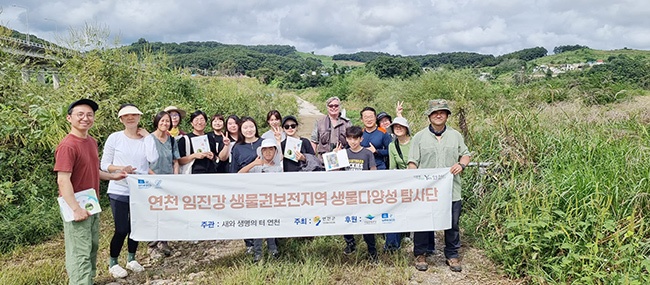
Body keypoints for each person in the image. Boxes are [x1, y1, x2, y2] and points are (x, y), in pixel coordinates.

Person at [54, 99, 127, 285]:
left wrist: (114, 177)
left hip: (91, 204)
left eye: (89, 115)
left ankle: (89, 281)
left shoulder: (91, 142)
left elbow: (94, 171)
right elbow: (63, 180)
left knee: (92, 248)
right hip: (76, 207)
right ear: (69, 118)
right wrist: (76, 209)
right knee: (80, 252)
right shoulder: (68, 146)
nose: (85, 118)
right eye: (80, 114)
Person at [408, 99, 471, 272]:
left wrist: (462, 165)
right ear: (429, 116)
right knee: (422, 222)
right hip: (426, 190)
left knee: (452, 223)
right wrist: (415, 179)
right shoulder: (419, 137)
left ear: (447, 115)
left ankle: (452, 255)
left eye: (442, 112)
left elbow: (465, 155)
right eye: (435, 112)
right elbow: (413, 161)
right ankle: (420, 254)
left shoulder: (455, 135)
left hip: (451, 189)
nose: (438, 115)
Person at [100, 104, 150, 279]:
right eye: (126, 116)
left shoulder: (145, 139)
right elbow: (104, 164)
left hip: (140, 190)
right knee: (121, 228)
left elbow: (154, 159)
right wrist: (121, 169)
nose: (130, 118)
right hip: (119, 189)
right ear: (121, 119)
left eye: (134, 115)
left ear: (139, 117)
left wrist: (149, 137)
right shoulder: (115, 138)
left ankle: (131, 258)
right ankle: (113, 262)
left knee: (135, 227)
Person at [336, 126, 379, 262]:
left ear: (361, 139)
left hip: (364, 194)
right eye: (350, 139)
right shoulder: (343, 153)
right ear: (346, 139)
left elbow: (373, 170)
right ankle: (350, 243)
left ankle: (372, 250)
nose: (353, 142)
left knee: (367, 221)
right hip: (347, 194)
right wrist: (335, 156)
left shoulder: (367, 153)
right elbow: (334, 173)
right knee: (346, 219)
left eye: (356, 138)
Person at [238, 138, 283, 262]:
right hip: (257, 203)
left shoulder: (278, 168)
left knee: (271, 226)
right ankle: (258, 253)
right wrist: (253, 164)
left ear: (275, 151)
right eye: (265, 150)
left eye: (271, 149)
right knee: (258, 228)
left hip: (272, 203)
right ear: (261, 151)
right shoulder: (256, 166)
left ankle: (273, 250)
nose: (268, 152)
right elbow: (239, 174)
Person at [144, 111, 180, 256]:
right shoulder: (148, 139)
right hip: (152, 181)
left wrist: (175, 177)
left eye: (167, 121)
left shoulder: (171, 140)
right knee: (153, 211)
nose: (165, 124)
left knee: (167, 211)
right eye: (162, 121)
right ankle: (152, 242)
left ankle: (164, 241)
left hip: (168, 180)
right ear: (157, 122)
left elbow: (175, 160)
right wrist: (156, 178)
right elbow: (143, 163)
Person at [384, 116, 412, 252]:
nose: (398, 128)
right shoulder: (392, 146)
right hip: (401, 180)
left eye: (401, 126)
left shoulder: (415, 143)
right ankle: (392, 245)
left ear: (407, 129)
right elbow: (392, 166)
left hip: (416, 179)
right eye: (395, 127)